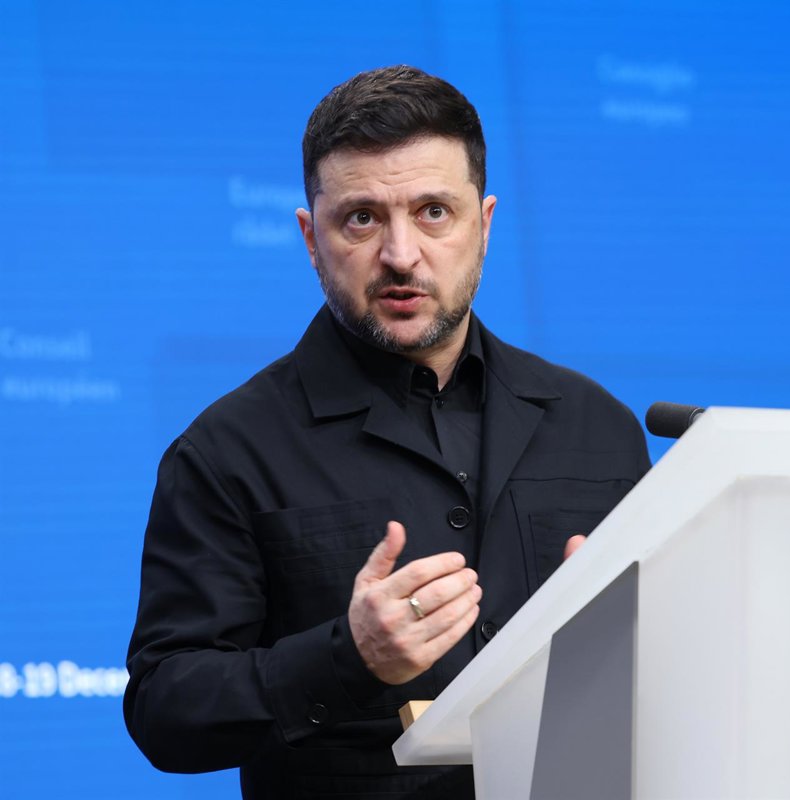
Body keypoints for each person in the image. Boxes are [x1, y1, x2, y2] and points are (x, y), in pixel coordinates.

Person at [124, 65, 650, 798]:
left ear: (484, 225)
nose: (401, 255)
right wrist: (350, 657)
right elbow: (165, 709)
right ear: (311, 237)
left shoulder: (597, 425)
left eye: (434, 212)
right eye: (362, 218)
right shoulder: (225, 450)